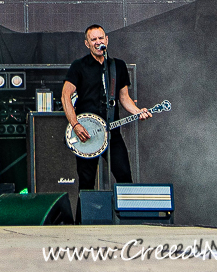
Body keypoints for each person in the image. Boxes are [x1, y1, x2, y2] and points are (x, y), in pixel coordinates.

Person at [61, 24, 150, 191]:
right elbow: (65, 95)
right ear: (87, 43)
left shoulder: (118, 66)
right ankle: (84, 210)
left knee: (124, 177)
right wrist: (75, 125)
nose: (98, 42)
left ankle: (125, 209)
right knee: (86, 183)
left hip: (112, 133)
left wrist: (138, 112)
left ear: (106, 40)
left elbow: (124, 98)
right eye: (93, 39)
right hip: (86, 132)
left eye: (100, 38)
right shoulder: (79, 66)